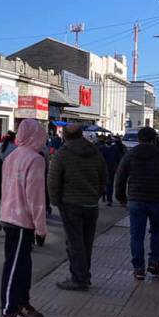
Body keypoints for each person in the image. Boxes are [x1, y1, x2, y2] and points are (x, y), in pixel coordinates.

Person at [47, 124, 107, 290]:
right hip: (91, 204)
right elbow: (104, 176)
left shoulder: (63, 154)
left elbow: (53, 180)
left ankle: (78, 278)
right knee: (86, 242)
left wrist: (55, 201)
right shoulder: (95, 152)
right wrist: (96, 194)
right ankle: (84, 274)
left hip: (71, 204)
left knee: (74, 243)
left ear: (65, 136)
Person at [0, 119, 47, 317]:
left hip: (10, 216)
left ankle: (22, 303)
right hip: (21, 220)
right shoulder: (35, 159)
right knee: (16, 266)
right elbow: (36, 197)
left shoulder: (11, 156)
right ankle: (9, 309)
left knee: (21, 265)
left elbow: (5, 188)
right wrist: (41, 227)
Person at [115, 126, 159, 279]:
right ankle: (154, 263)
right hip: (158, 201)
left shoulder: (130, 155)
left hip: (136, 200)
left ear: (139, 139)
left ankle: (138, 268)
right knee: (157, 232)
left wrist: (121, 198)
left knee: (136, 235)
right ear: (154, 139)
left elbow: (120, 177)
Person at [99, 135, 123, 206]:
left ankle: (109, 199)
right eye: (107, 140)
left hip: (111, 169)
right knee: (103, 183)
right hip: (103, 169)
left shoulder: (115, 149)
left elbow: (118, 159)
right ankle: (103, 195)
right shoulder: (101, 148)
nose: (108, 141)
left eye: (110, 140)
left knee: (110, 184)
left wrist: (118, 167)